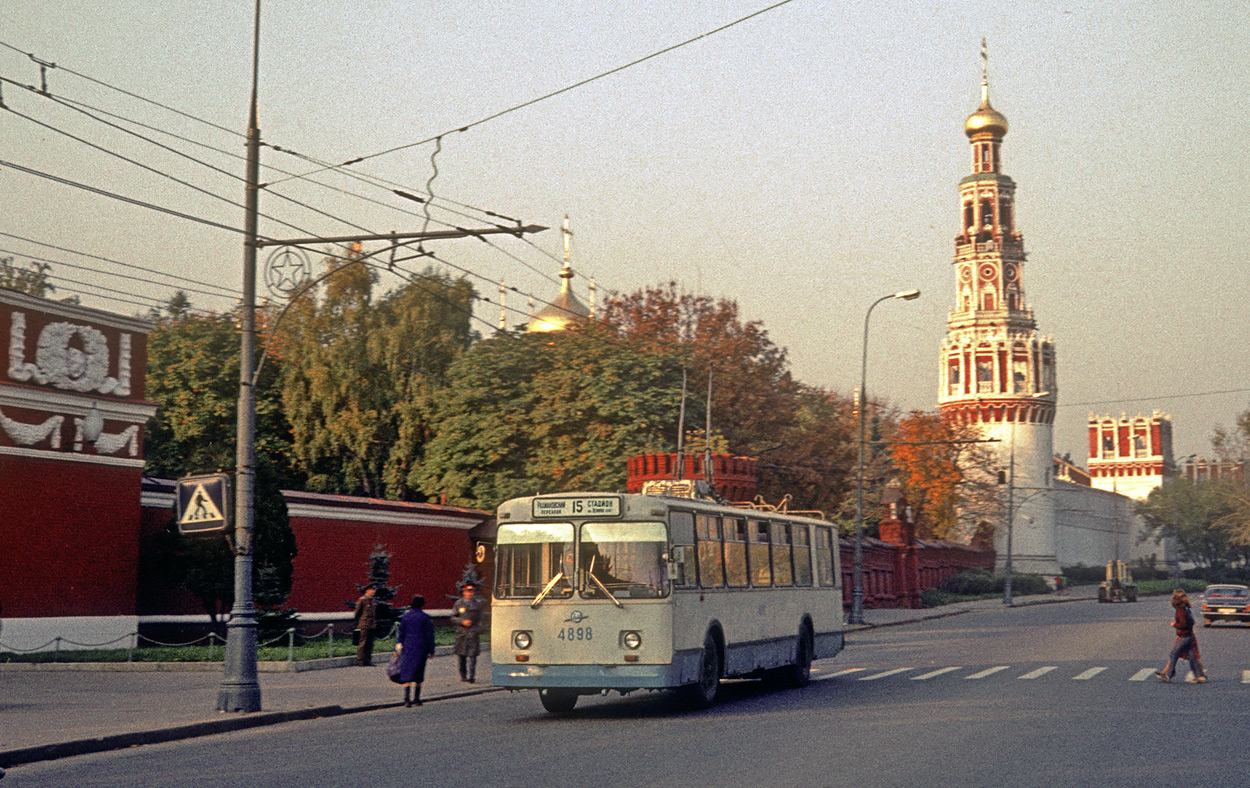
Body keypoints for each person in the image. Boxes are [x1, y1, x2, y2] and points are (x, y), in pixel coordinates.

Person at [1157, 589, 1207, 683]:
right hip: (1188, 635)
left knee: (1173, 654)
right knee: (1192, 656)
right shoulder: (1185, 609)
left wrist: (1174, 625)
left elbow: (1183, 624)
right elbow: (1192, 622)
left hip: (1184, 636)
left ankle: (1168, 674)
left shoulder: (1180, 611)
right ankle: (1200, 676)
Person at [396, 595, 436, 707]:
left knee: (407, 670)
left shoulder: (405, 616)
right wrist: (431, 650)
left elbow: (401, 632)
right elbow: (430, 635)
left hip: (408, 646)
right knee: (419, 672)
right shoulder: (425, 617)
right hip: (421, 647)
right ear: (422, 604)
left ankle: (406, 699)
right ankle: (417, 699)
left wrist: (398, 644)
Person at [450, 582, 484, 682]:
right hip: (462, 633)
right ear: (464, 592)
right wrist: (462, 621)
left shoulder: (477, 604)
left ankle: (472, 676)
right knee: (462, 656)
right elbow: (453, 617)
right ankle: (463, 676)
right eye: (467, 591)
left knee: (473, 655)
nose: (469, 593)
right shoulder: (458, 604)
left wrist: (478, 629)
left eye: (471, 591)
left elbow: (481, 619)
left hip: (473, 633)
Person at [353, 587, 378, 666]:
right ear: (367, 590)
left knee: (370, 643)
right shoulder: (362, 600)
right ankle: (360, 660)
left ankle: (368, 660)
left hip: (371, 624)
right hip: (364, 624)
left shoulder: (373, 600)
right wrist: (359, 622)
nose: (374, 591)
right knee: (362, 642)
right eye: (372, 589)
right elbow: (357, 613)